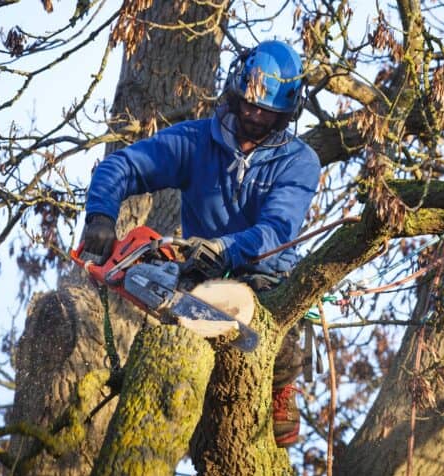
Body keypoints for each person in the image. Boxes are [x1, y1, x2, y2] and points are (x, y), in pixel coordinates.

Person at [80, 39, 320, 447]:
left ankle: (280, 387)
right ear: (236, 88)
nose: (252, 113)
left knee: (279, 348)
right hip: (201, 274)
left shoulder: (299, 161)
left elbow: (277, 229)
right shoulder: (195, 142)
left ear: (287, 111)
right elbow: (123, 165)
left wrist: (225, 248)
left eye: (265, 110)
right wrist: (101, 215)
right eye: (247, 101)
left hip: (267, 278)